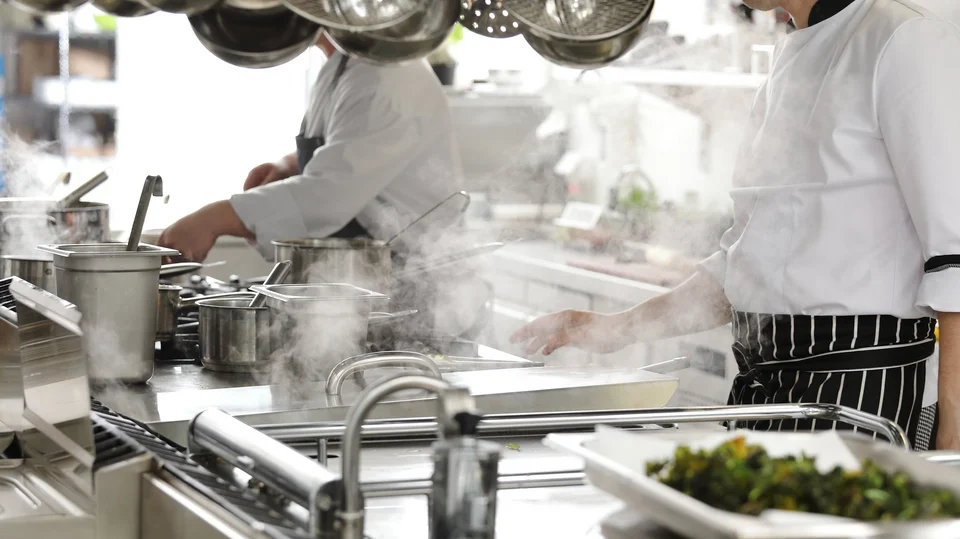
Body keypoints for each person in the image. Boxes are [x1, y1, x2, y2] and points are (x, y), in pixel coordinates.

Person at [512, 0, 960, 451]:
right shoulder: (793, 50)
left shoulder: (906, 39)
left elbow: (955, 259)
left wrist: (953, 447)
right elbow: (747, 266)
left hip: (854, 387)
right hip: (762, 390)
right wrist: (616, 329)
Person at [158, 32, 464, 263]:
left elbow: (328, 196)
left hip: (414, 289)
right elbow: (352, 148)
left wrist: (218, 217)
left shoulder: (386, 74)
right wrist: (288, 165)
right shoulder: (343, 65)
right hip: (367, 281)